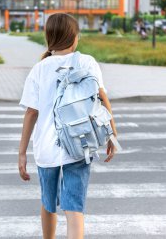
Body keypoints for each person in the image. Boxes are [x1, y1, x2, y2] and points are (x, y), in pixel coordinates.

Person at [18, 13, 118, 239]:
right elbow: (102, 99)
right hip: (80, 143)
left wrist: (22, 153)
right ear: (74, 37)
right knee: (74, 206)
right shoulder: (87, 62)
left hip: (46, 147)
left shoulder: (39, 69)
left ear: (48, 37)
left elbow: (31, 113)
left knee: (48, 203)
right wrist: (112, 134)